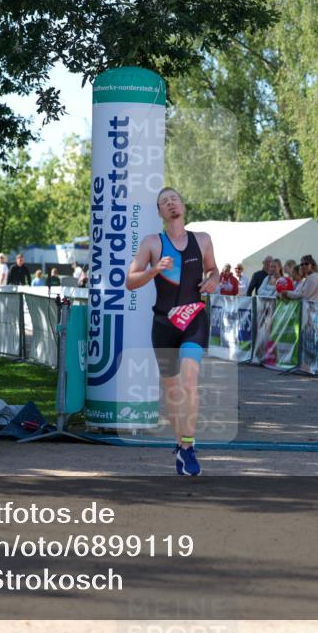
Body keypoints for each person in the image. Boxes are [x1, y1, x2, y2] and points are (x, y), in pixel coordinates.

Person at [127, 187, 219, 476]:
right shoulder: (152, 243)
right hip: (164, 324)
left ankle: (188, 446)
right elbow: (130, 281)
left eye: (174, 199)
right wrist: (154, 270)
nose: (170, 204)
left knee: (189, 381)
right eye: (164, 202)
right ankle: (180, 445)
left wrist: (214, 280)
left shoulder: (202, 240)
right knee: (172, 390)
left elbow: (213, 270)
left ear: (183, 205)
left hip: (193, 319)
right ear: (160, 212)